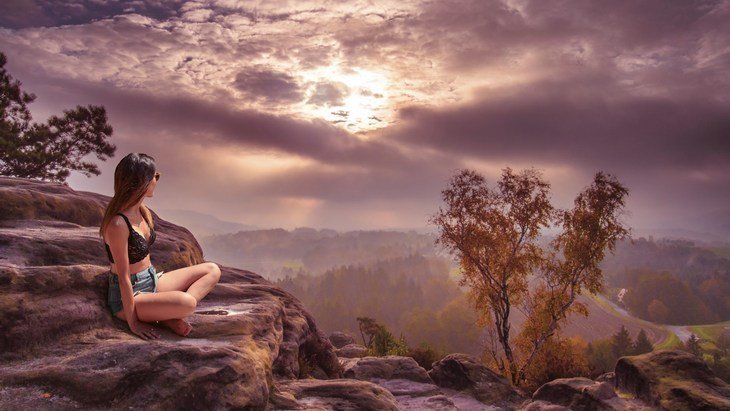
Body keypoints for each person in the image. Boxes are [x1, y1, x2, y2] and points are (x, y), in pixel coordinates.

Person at [99, 152, 222, 340]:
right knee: (188, 303)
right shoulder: (118, 224)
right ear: (142, 181)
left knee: (212, 270)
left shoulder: (143, 212)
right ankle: (165, 315)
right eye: (155, 176)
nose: (157, 180)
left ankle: (165, 315)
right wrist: (133, 324)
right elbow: (123, 277)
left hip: (151, 280)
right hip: (130, 296)